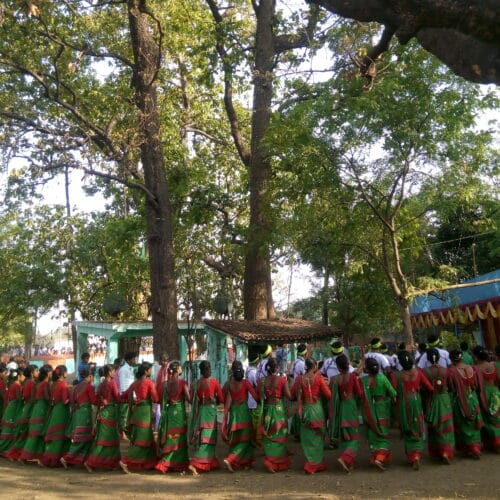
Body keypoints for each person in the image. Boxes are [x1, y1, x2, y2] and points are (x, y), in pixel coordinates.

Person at [392, 351, 433, 470]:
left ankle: (411, 455)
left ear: (400, 363)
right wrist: (418, 388)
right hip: (416, 401)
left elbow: (393, 392)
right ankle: (417, 455)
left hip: (403, 404)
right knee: (417, 425)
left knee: (407, 426)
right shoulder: (419, 373)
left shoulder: (396, 375)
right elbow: (430, 388)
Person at [291, 358, 331, 474]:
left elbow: (292, 394)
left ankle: (311, 461)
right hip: (317, 410)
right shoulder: (319, 378)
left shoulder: (299, 379)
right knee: (318, 436)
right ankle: (315, 464)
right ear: (315, 367)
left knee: (307, 437)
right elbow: (329, 395)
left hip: (304, 411)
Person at [119, 361, 159, 472]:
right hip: (145, 414)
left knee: (144, 439)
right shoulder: (149, 383)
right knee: (143, 440)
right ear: (146, 371)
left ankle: (148, 463)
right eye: (150, 369)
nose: (151, 371)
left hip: (136, 414)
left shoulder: (135, 384)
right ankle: (125, 461)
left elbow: (123, 395)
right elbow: (156, 399)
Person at [221, 360, 260, 472]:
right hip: (244, 414)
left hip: (233, 414)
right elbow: (256, 397)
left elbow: (222, 399)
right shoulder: (245, 383)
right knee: (246, 440)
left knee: (236, 439)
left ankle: (245, 463)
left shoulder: (227, 384)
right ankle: (230, 459)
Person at [360, 357, 397, 471]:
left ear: (367, 369)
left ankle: (375, 456)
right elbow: (393, 392)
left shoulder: (363, 380)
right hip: (382, 409)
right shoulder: (382, 378)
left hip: (368, 411)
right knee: (383, 433)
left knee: (372, 433)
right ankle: (380, 458)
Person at [155, 361, 191, 473]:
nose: (181, 369)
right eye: (180, 367)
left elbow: (163, 400)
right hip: (179, 413)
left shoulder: (165, 384)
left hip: (170, 412)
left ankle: (170, 462)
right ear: (177, 369)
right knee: (179, 437)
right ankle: (170, 463)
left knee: (171, 436)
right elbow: (189, 399)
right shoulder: (182, 383)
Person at [188, 360, 224, 475]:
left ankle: (208, 462)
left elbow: (191, 400)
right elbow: (221, 399)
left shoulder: (195, 384)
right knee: (209, 438)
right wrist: (214, 400)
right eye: (209, 369)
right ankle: (195, 462)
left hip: (201, 412)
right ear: (208, 370)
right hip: (211, 412)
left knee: (202, 436)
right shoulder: (214, 382)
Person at [84, 364, 122, 472]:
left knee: (108, 439)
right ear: (109, 372)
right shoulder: (112, 383)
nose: (114, 373)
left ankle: (113, 462)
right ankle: (90, 462)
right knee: (106, 440)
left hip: (103, 413)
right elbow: (118, 398)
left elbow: (97, 399)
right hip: (110, 413)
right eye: (113, 371)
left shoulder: (101, 385)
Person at [330, 354, 363, 473]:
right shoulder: (353, 377)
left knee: (346, 437)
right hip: (351, 408)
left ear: (338, 367)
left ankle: (350, 463)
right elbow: (359, 393)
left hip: (341, 409)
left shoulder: (334, 379)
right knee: (355, 438)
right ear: (348, 364)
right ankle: (345, 458)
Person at [448, 349, 483, 459]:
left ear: (452, 359)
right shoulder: (472, 368)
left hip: (461, 401)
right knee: (474, 423)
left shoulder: (452, 371)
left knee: (464, 424)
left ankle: (470, 448)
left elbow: (451, 388)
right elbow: (476, 385)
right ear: (462, 357)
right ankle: (476, 446)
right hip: (473, 399)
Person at [260, 357, 293, 473]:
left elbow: (260, 398)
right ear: (277, 368)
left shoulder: (262, 381)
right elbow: (289, 396)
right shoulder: (282, 380)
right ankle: (275, 462)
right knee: (279, 435)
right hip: (279, 411)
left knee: (269, 435)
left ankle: (270, 461)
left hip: (267, 411)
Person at [61, 368, 97, 468]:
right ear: (90, 376)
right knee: (82, 438)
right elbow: (94, 401)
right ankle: (67, 458)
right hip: (84, 414)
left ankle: (83, 460)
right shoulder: (89, 387)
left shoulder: (76, 387)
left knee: (84, 438)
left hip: (77, 414)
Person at [424, 348, 455, 464]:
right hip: (445, 400)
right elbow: (451, 387)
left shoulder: (425, 372)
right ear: (439, 358)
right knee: (446, 427)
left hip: (432, 400)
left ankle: (437, 451)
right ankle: (446, 452)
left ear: (428, 359)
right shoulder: (446, 371)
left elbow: (423, 389)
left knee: (434, 426)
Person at [19, 364, 53, 463]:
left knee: (36, 434)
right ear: (47, 373)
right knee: (36, 434)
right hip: (41, 409)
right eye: (51, 372)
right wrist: (53, 401)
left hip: (38, 409)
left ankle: (36, 456)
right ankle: (24, 456)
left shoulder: (39, 383)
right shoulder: (45, 384)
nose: (52, 374)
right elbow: (47, 398)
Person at [6, 365, 39, 461]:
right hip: (29, 409)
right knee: (25, 433)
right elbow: (33, 398)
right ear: (32, 373)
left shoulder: (26, 382)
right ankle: (13, 454)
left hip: (26, 408)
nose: (38, 373)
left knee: (24, 433)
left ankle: (18, 454)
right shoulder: (31, 383)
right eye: (36, 371)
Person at [40, 365, 70, 467]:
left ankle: (49, 459)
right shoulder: (63, 384)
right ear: (63, 373)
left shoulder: (54, 384)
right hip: (62, 411)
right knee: (59, 437)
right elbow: (65, 400)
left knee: (54, 437)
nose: (67, 373)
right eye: (66, 371)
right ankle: (53, 460)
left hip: (55, 410)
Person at [472, 346, 499, 453]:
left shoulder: (475, 368)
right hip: (495, 392)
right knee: (496, 417)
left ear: (477, 357)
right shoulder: (494, 366)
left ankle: (492, 443)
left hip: (482, 394)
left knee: (486, 418)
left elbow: (474, 384)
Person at [0, 368, 26, 457]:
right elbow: (19, 399)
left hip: (11, 407)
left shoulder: (13, 385)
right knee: (8, 430)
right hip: (14, 409)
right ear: (19, 376)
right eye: (23, 375)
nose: (24, 377)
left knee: (8, 430)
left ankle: (5, 449)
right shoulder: (17, 386)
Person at [288, 343, 307, 440]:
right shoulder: (302, 364)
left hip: (296, 387)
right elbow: (306, 376)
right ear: (305, 353)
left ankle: (296, 431)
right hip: (301, 389)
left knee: (298, 409)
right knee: (301, 410)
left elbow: (290, 373)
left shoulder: (295, 362)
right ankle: (300, 432)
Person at [118, 352, 138, 439]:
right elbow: (123, 385)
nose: (135, 360)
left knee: (129, 414)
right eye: (134, 359)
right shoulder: (123, 370)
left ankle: (127, 432)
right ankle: (122, 433)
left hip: (131, 395)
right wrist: (125, 396)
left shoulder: (130, 369)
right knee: (124, 415)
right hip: (125, 396)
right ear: (129, 360)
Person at [245, 349, 262, 447]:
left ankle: (253, 439)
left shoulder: (248, 370)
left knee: (253, 420)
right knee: (256, 421)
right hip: (254, 399)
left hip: (250, 399)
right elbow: (257, 385)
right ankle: (255, 440)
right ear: (256, 361)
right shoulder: (253, 372)